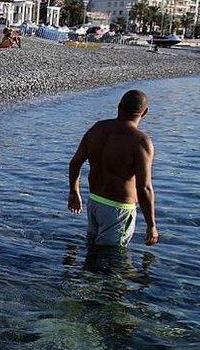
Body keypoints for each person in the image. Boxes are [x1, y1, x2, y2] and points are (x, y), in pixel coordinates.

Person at [68, 89, 159, 247]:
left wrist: (74, 192)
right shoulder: (140, 141)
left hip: (94, 202)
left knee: (94, 252)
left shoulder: (97, 129)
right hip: (119, 209)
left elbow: (75, 163)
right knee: (112, 261)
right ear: (145, 113)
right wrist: (151, 225)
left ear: (118, 107)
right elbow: (144, 188)